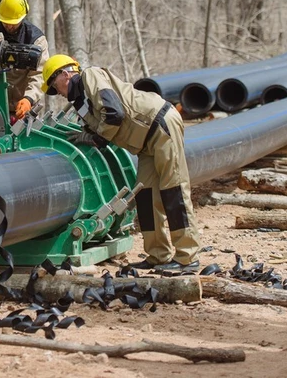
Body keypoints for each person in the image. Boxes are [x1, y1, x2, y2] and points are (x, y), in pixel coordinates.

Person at [41, 55, 201, 271]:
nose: (57, 92)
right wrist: (87, 134)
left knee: (174, 190)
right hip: (145, 143)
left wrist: (96, 138)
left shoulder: (90, 76)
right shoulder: (81, 101)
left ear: (65, 74)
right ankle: (158, 255)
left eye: (54, 85)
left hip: (159, 126)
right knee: (145, 196)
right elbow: (101, 123)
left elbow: (115, 113)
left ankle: (187, 257)